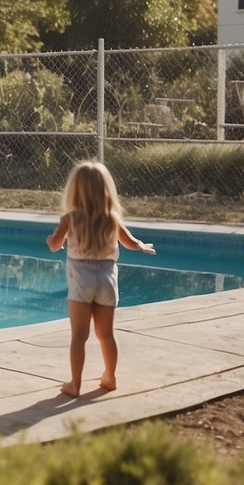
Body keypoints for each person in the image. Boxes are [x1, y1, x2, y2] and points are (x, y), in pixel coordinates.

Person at [46, 160, 155, 398]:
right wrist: (142, 246)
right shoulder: (111, 218)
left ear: (75, 189)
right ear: (106, 189)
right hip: (106, 282)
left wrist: (52, 240)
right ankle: (110, 376)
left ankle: (75, 383)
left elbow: (54, 246)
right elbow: (130, 242)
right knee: (106, 334)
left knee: (79, 336)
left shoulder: (71, 218)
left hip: (80, 283)